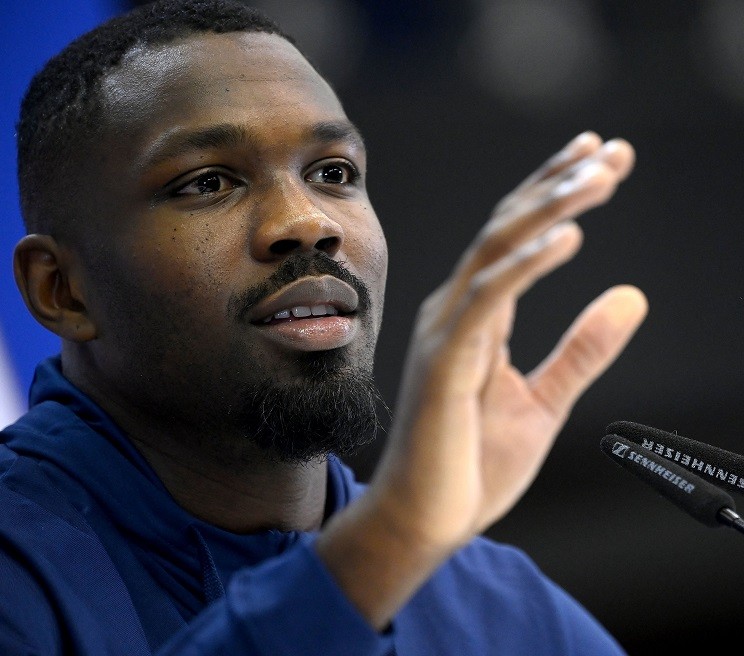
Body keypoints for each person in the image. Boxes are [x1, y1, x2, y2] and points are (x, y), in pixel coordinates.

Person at [0, 0, 647, 653]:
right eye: (207, 182)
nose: (309, 221)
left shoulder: (504, 611)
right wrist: (389, 541)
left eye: (333, 173)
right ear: (61, 289)